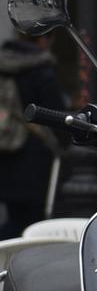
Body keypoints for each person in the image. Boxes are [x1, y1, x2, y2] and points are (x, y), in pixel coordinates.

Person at [0, 32, 67, 239]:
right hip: (33, 155)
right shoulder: (41, 69)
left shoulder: (4, 63)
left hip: (4, 149)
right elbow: (56, 115)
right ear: (42, 40)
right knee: (32, 220)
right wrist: (66, 142)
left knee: (13, 215)